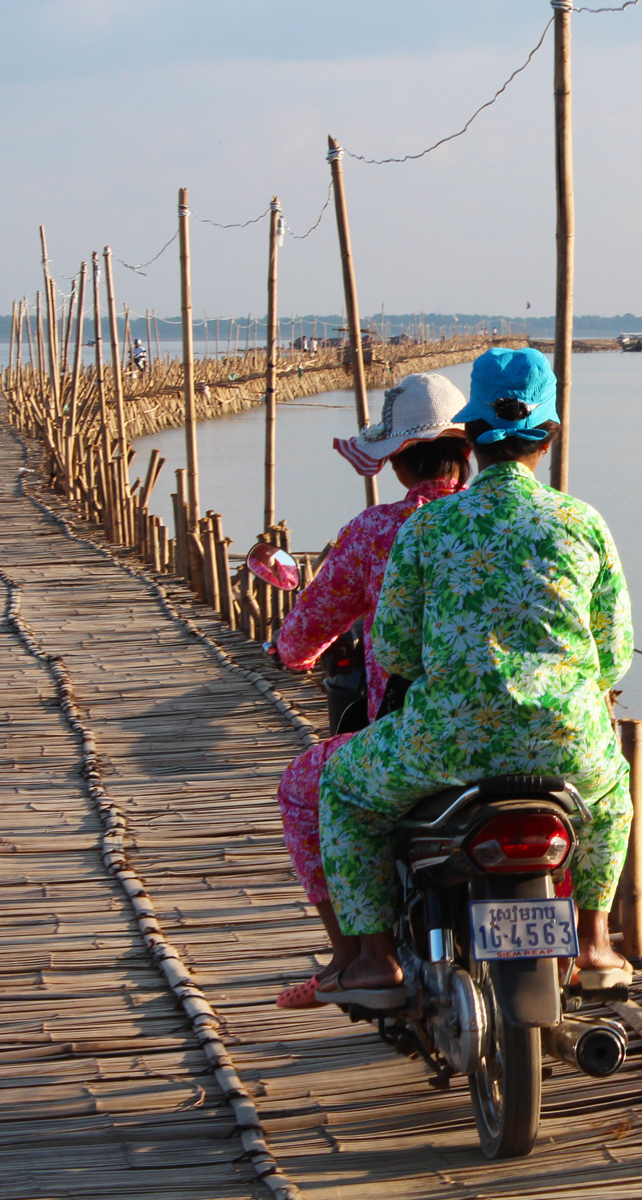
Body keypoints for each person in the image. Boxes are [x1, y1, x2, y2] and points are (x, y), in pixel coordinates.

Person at [315, 346, 634, 1008]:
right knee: (612, 798)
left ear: (474, 436)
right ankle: (597, 942)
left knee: (342, 791)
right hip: (568, 740)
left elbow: (397, 650)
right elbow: (613, 655)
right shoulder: (583, 523)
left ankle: (373, 959)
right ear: (549, 435)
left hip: (445, 743)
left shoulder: (429, 526)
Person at [273, 373, 471, 1007]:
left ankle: (359, 957)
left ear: (395, 461)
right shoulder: (520, 521)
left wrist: (293, 654)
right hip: (536, 738)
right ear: (469, 452)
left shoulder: (380, 531)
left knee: (307, 790)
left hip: (419, 737)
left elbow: (305, 631)